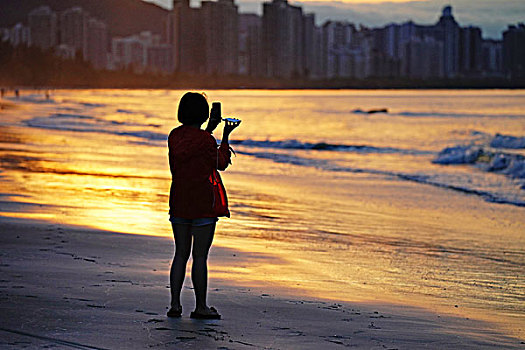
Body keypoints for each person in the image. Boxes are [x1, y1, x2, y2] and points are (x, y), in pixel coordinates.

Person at [167, 92, 240, 319]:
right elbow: (220, 163)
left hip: (179, 200)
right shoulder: (206, 140)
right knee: (200, 257)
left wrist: (209, 131)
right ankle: (200, 307)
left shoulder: (174, 136)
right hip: (202, 203)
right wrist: (225, 135)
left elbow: (190, 147)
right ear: (204, 114)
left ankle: (175, 305)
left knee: (180, 254)